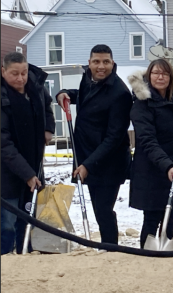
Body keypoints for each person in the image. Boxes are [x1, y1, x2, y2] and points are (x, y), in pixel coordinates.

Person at [56, 44, 132, 245]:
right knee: (98, 209)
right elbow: (84, 96)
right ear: (89, 63)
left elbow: (114, 138)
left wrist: (87, 165)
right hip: (88, 154)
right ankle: (107, 247)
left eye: (105, 62)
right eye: (96, 61)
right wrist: (65, 93)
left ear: (112, 63)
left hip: (109, 161)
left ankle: (110, 248)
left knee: (104, 209)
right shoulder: (87, 79)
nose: (101, 66)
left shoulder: (120, 93)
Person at [128, 59, 173, 248]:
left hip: (172, 168)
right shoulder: (142, 104)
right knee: (152, 219)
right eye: (156, 73)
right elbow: (147, 140)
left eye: (165, 74)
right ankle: (148, 256)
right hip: (152, 170)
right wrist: (166, 165)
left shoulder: (171, 99)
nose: (160, 77)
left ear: (171, 78)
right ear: (149, 76)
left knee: (171, 218)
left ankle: (166, 257)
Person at [1, 52, 55, 254]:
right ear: (3, 71)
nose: (20, 78)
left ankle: (26, 255)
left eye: (23, 72)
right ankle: (5, 257)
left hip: (33, 161)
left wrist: (48, 128)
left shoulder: (35, 86)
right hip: (6, 171)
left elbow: (47, 106)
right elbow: (3, 144)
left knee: (28, 217)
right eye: (14, 74)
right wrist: (27, 175)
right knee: (7, 221)